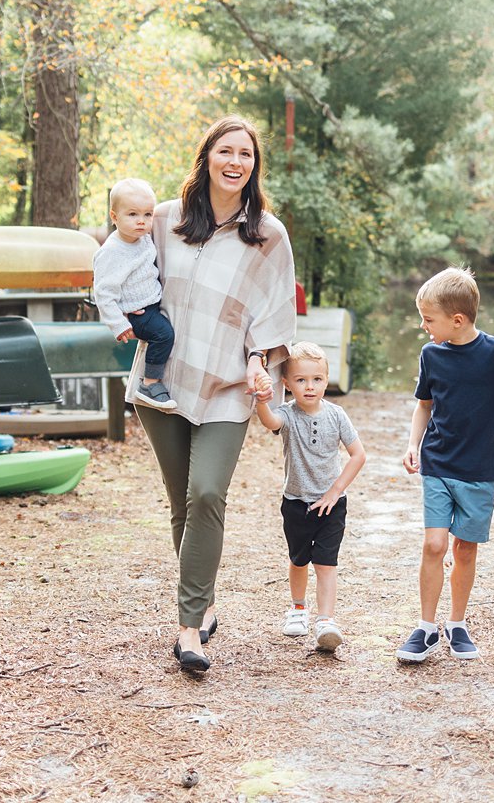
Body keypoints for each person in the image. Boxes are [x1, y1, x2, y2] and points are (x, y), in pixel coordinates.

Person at [131, 115, 297, 674]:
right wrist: (121, 313)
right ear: (207, 157)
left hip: (228, 385)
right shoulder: (163, 220)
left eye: (245, 154)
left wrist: (259, 359)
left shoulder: (267, 235)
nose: (235, 162)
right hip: (162, 380)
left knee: (206, 494)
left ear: (254, 166)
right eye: (226, 151)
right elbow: (121, 269)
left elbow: (274, 312)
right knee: (183, 502)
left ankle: (188, 633)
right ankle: (201, 604)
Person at [396, 267, 494, 665]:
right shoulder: (431, 354)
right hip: (438, 462)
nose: (422, 325)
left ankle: (457, 624)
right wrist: (413, 444)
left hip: (482, 469)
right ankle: (426, 627)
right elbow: (424, 404)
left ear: (458, 320)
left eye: (428, 319)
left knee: (464, 548)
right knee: (434, 543)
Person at [253, 341, 367, 653]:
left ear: (326, 379)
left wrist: (335, 491)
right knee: (299, 559)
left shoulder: (337, 415)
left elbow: (358, 455)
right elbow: (270, 422)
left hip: (332, 505)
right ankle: (298, 609)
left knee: (326, 562)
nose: (309, 386)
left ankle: (326, 621)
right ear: (287, 384)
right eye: (301, 380)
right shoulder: (287, 415)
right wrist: (262, 401)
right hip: (296, 503)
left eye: (317, 379)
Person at [93, 177, 177, 410]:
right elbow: (103, 293)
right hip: (137, 313)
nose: (141, 221)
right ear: (114, 217)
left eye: (147, 215)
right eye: (132, 215)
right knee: (164, 335)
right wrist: (118, 323)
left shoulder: (142, 238)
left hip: (150, 303)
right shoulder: (112, 252)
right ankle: (149, 383)